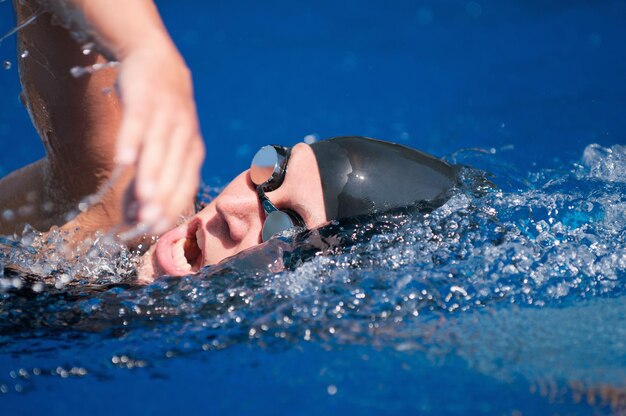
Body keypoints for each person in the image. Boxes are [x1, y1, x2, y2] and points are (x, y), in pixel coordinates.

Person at [0, 1, 460, 284]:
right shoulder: (128, 210)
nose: (234, 210)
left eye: (289, 224)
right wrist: (147, 47)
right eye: (271, 170)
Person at [0, 0, 204, 238]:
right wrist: (142, 44)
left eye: (261, 233)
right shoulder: (130, 197)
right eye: (259, 182)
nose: (236, 216)